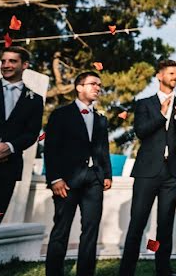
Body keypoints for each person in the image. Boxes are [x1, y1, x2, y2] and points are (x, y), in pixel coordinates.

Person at [119, 59, 176, 276]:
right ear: (159, 76)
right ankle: (126, 272)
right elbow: (141, 131)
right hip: (147, 172)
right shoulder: (144, 104)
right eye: (171, 73)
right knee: (137, 223)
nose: (175, 77)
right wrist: (161, 115)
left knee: (165, 224)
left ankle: (163, 271)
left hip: (172, 172)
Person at [0, 46, 43, 273]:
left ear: (24, 65)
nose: (6, 65)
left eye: (12, 61)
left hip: (5, 172)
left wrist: (9, 147)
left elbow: (31, 133)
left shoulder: (35, 100)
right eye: (3, 61)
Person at [44, 70, 112, 276]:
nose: (98, 88)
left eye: (99, 85)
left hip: (94, 181)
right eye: (93, 84)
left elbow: (103, 148)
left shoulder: (101, 119)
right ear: (79, 87)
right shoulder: (60, 114)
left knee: (91, 231)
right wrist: (55, 178)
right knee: (61, 231)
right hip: (66, 181)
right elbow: (51, 149)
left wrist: (107, 174)